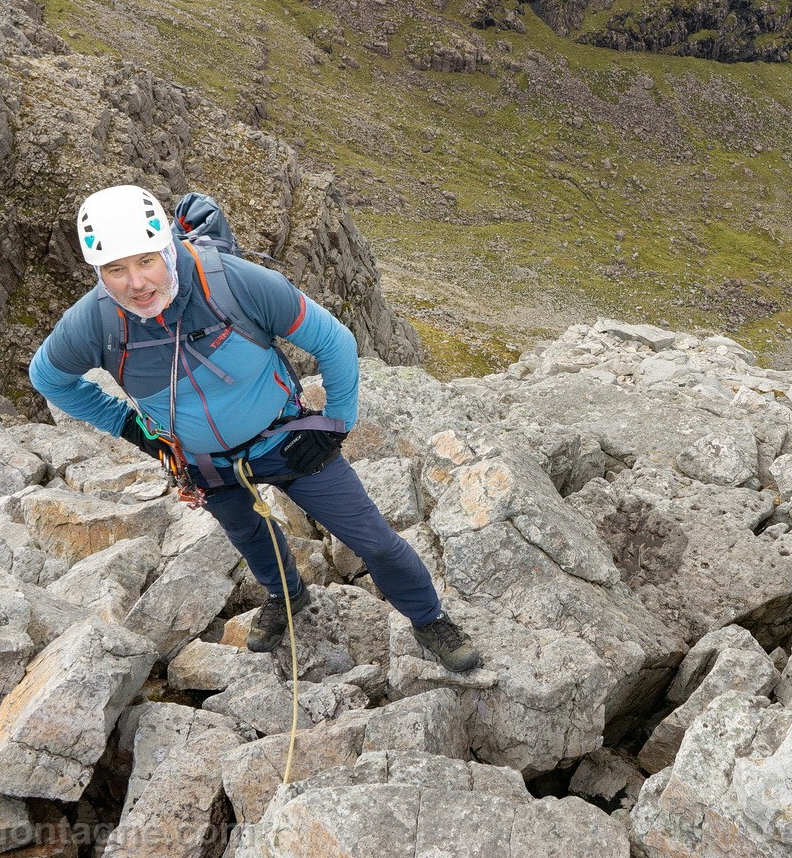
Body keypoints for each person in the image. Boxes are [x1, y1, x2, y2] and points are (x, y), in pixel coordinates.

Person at [28, 184, 481, 671]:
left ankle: (429, 618)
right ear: (99, 272)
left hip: (288, 441)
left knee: (372, 540)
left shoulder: (234, 283)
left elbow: (335, 342)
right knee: (248, 532)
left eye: (145, 262)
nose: (136, 283)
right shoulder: (93, 323)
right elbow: (48, 378)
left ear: (167, 251)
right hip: (204, 464)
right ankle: (286, 596)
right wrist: (134, 429)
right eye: (116, 270)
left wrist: (334, 427)